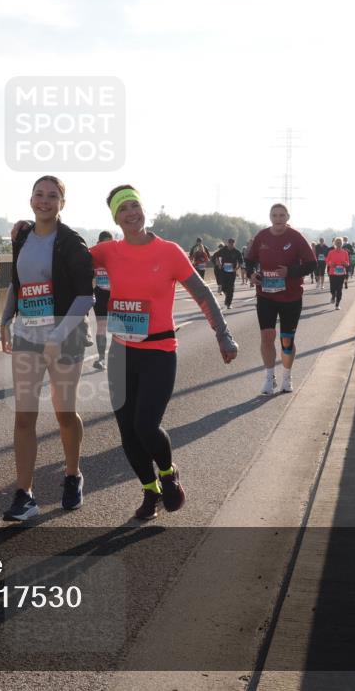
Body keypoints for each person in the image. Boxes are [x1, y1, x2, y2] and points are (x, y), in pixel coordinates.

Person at [92, 185, 238, 520]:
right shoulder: (106, 252)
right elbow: (67, 256)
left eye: (134, 206)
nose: (131, 213)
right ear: (115, 217)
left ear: (142, 210)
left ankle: (169, 473)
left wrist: (223, 334)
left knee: (146, 426)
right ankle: (150, 491)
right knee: (127, 432)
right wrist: (26, 234)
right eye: (123, 209)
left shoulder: (169, 251)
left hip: (159, 350)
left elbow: (202, 293)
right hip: (121, 352)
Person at [0, 176, 94, 522]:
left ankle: (72, 475)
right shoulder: (22, 236)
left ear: (62, 203)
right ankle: (24, 494)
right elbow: (18, 285)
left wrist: (59, 334)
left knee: (63, 412)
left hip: (65, 336)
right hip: (28, 335)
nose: (44, 201)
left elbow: (86, 296)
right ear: (30, 199)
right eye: (39, 194)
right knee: (24, 415)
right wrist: (5, 319)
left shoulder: (72, 243)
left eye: (52, 196)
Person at [244, 203, 316, 395]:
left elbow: (311, 264)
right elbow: (249, 260)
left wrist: (290, 272)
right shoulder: (262, 236)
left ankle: (286, 376)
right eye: (274, 215)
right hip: (266, 294)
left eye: (282, 215)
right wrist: (251, 274)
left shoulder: (296, 237)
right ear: (270, 217)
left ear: (287, 217)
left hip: (291, 296)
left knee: (286, 341)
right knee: (267, 336)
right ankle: (269, 377)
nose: (278, 219)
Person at [92, 231, 113, 370]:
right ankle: (101, 359)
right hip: (101, 294)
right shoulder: (94, 255)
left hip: (115, 295)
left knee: (119, 329)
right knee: (101, 326)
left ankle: (109, 359)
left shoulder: (116, 255)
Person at [212, 238, 243, 309]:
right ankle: (227, 296)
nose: (231, 245)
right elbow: (215, 256)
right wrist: (218, 264)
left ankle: (228, 303)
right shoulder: (223, 250)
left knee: (231, 288)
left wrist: (237, 268)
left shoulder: (237, 252)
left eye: (232, 244)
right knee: (223, 287)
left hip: (232, 272)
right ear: (227, 243)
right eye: (229, 244)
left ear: (234, 244)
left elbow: (241, 261)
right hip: (223, 271)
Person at [326, 236, 351, 309]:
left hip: (341, 273)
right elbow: (327, 261)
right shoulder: (331, 252)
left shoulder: (345, 252)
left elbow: (348, 263)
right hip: (332, 272)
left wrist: (345, 263)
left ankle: (337, 304)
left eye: (340, 242)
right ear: (335, 243)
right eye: (337, 242)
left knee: (339, 289)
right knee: (332, 288)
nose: (339, 244)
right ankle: (333, 295)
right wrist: (331, 264)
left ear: (342, 243)